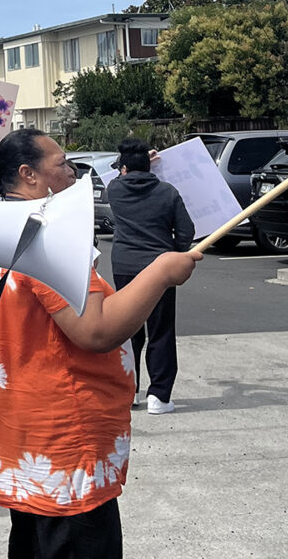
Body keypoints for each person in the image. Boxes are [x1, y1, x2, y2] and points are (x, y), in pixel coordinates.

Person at [0, 128, 201, 559]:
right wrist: (163, 271)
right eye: (62, 165)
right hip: (63, 448)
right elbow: (96, 330)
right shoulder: (44, 234)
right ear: (28, 175)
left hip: (25, 441)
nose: (73, 174)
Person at [107, 137, 195, 414]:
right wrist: (177, 251)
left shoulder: (114, 189)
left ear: (123, 168)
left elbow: (115, 170)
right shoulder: (168, 192)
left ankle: (129, 391)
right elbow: (186, 231)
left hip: (124, 266)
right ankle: (159, 396)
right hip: (160, 266)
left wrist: (135, 160)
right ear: (149, 167)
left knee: (128, 329)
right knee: (161, 331)